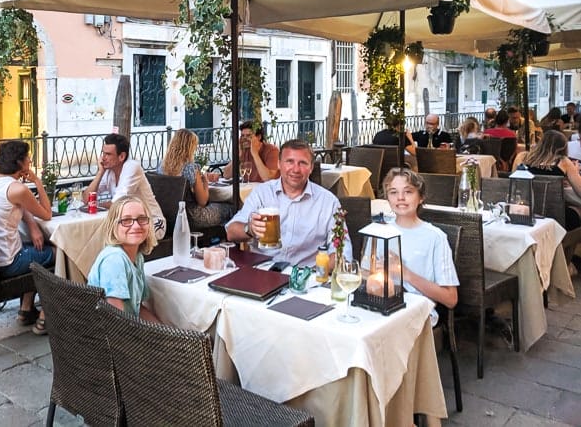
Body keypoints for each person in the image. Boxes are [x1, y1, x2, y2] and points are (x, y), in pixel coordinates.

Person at [225, 139, 349, 267]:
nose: (296, 169)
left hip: (305, 277)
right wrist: (249, 228)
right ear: (279, 164)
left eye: (303, 163)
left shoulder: (328, 202)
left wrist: (316, 273)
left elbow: (342, 250)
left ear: (311, 168)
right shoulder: (262, 193)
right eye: (289, 161)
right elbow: (231, 232)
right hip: (263, 274)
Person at [0, 140, 53, 333]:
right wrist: (37, 181)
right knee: (59, 253)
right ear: (19, 163)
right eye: (28, 157)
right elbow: (47, 213)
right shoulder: (18, 189)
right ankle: (46, 317)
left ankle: (26, 310)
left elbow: (19, 205)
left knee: (35, 247)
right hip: (9, 263)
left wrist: (33, 226)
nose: (30, 160)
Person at [364, 168, 458, 325]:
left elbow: (451, 299)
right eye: (393, 192)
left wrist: (405, 274)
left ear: (421, 197)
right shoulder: (379, 231)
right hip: (379, 308)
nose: (400, 198)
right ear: (387, 198)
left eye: (408, 192)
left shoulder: (435, 237)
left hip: (416, 314)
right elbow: (365, 276)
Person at [87, 196, 160, 322]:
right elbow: (115, 320)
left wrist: (164, 332)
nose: (136, 226)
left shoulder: (137, 257)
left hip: (126, 328)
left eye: (142, 219)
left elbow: (138, 309)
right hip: (108, 336)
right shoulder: (115, 260)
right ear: (113, 226)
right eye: (126, 220)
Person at [83, 134, 165, 238]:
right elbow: (86, 199)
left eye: (108, 154)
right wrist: (100, 172)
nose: (103, 158)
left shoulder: (132, 167)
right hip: (129, 222)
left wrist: (94, 205)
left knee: (111, 236)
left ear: (121, 156)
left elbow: (118, 204)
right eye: (103, 153)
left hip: (152, 221)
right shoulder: (109, 171)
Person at [158, 128, 233, 227]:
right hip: (192, 217)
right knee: (231, 208)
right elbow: (202, 202)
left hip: (169, 216)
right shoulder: (191, 168)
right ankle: (226, 240)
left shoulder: (161, 167)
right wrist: (205, 181)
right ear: (189, 148)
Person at [519, 130, 581, 208]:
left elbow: (514, 183)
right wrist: (575, 171)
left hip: (525, 208)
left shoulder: (522, 157)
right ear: (563, 147)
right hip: (556, 212)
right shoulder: (563, 162)